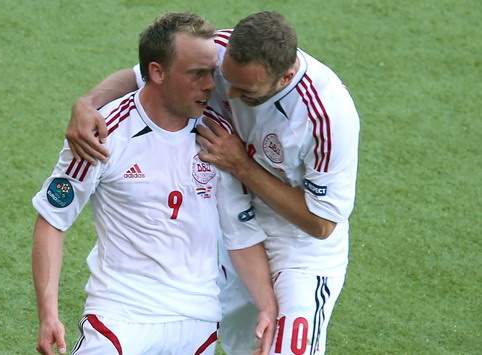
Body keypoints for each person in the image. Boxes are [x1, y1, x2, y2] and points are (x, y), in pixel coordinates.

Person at [65, 11, 360, 355]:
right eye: (227, 79)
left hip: (299, 246)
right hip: (231, 224)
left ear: (285, 77)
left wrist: (244, 167)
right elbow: (140, 77)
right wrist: (87, 104)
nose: (228, 93)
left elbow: (323, 224)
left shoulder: (326, 115)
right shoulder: (218, 53)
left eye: (245, 91)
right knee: (238, 343)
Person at [31, 12, 277, 355]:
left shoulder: (219, 140)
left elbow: (240, 232)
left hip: (197, 321)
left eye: (212, 72)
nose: (210, 85)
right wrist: (48, 314)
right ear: (157, 72)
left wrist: (266, 306)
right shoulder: (103, 134)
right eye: (197, 74)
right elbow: (52, 220)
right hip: (120, 317)